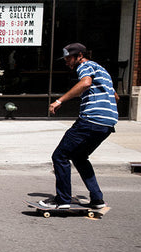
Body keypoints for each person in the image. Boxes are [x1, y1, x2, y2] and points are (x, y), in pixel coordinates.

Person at [40, 43, 118, 209]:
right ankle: (97, 199)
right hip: (107, 123)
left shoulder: (85, 66)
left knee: (60, 156)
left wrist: (59, 100)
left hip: (90, 120)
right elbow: (115, 97)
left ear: (80, 55)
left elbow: (85, 83)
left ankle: (62, 200)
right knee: (80, 157)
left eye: (69, 58)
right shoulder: (102, 70)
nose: (67, 61)